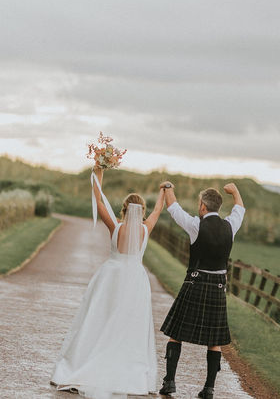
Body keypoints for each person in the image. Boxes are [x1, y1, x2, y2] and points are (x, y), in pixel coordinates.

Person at [50, 166, 166, 398]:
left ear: (123, 210)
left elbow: (99, 203)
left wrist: (98, 176)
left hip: (111, 278)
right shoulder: (146, 228)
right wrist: (164, 190)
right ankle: (125, 370)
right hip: (135, 281)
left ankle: (83, 365)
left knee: (99, 320)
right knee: (129, 325)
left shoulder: (115, 226)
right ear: (141, 212)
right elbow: (158, 210)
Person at [157, 181, 245, 398]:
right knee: (214, 340)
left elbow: (174, 208)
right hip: (217, 287)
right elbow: (240, 208)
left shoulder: (196, 225)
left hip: (195, 283)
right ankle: (209, 388)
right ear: (217, 207)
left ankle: (169, 382)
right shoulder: (230, 226)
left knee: (176, 333)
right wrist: (235, 191)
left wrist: (169, 187)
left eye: (199, 204)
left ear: (203, 207)